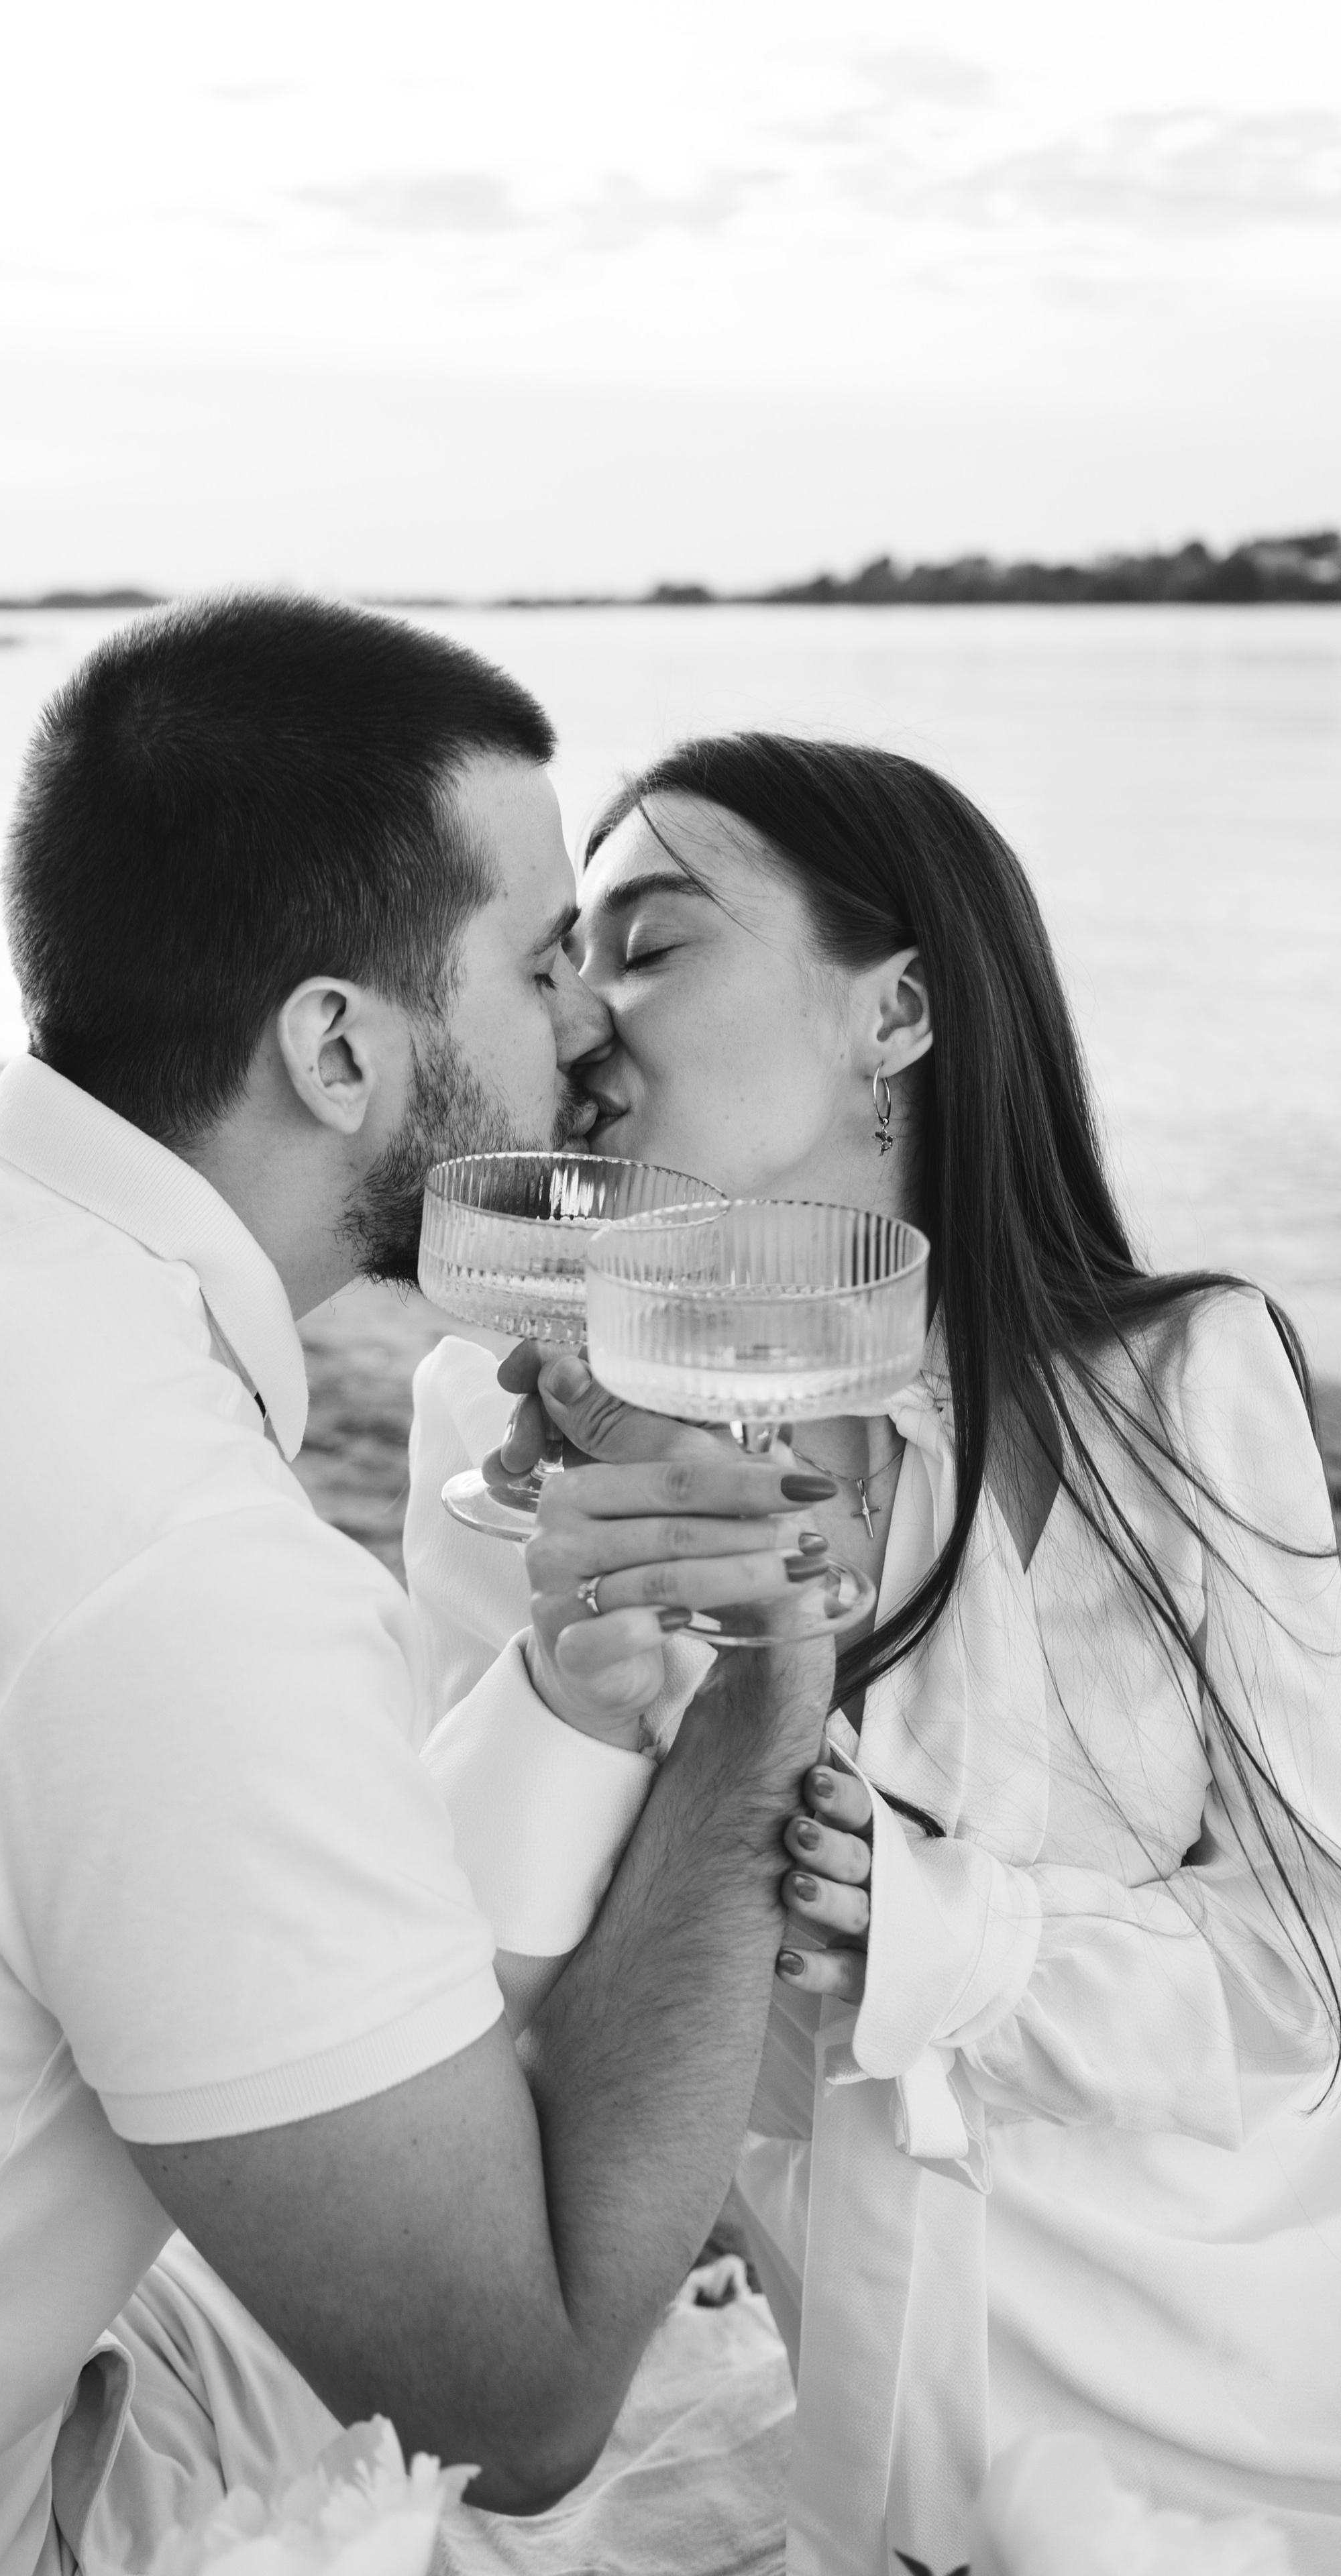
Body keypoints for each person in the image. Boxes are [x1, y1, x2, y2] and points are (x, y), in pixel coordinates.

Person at [0, 610, 839, 2576]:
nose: (594, 1028)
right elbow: (516, 2404)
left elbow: (197, 1876)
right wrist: (765, 1696)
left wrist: (556, 1689)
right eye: (541, 965)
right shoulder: (168, 1558)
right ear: (339, 1042)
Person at [411, 733, 1341, 2576]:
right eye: (567, 958)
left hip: (1201, 2391)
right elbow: (449, 2015)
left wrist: (943, 1931)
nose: (584, 1018)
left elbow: (1295, 1971)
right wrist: (572, 1707)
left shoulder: (1188, 1383)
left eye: (654, 942)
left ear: (898, 1011)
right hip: (789, 2395)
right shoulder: (496, 1426)